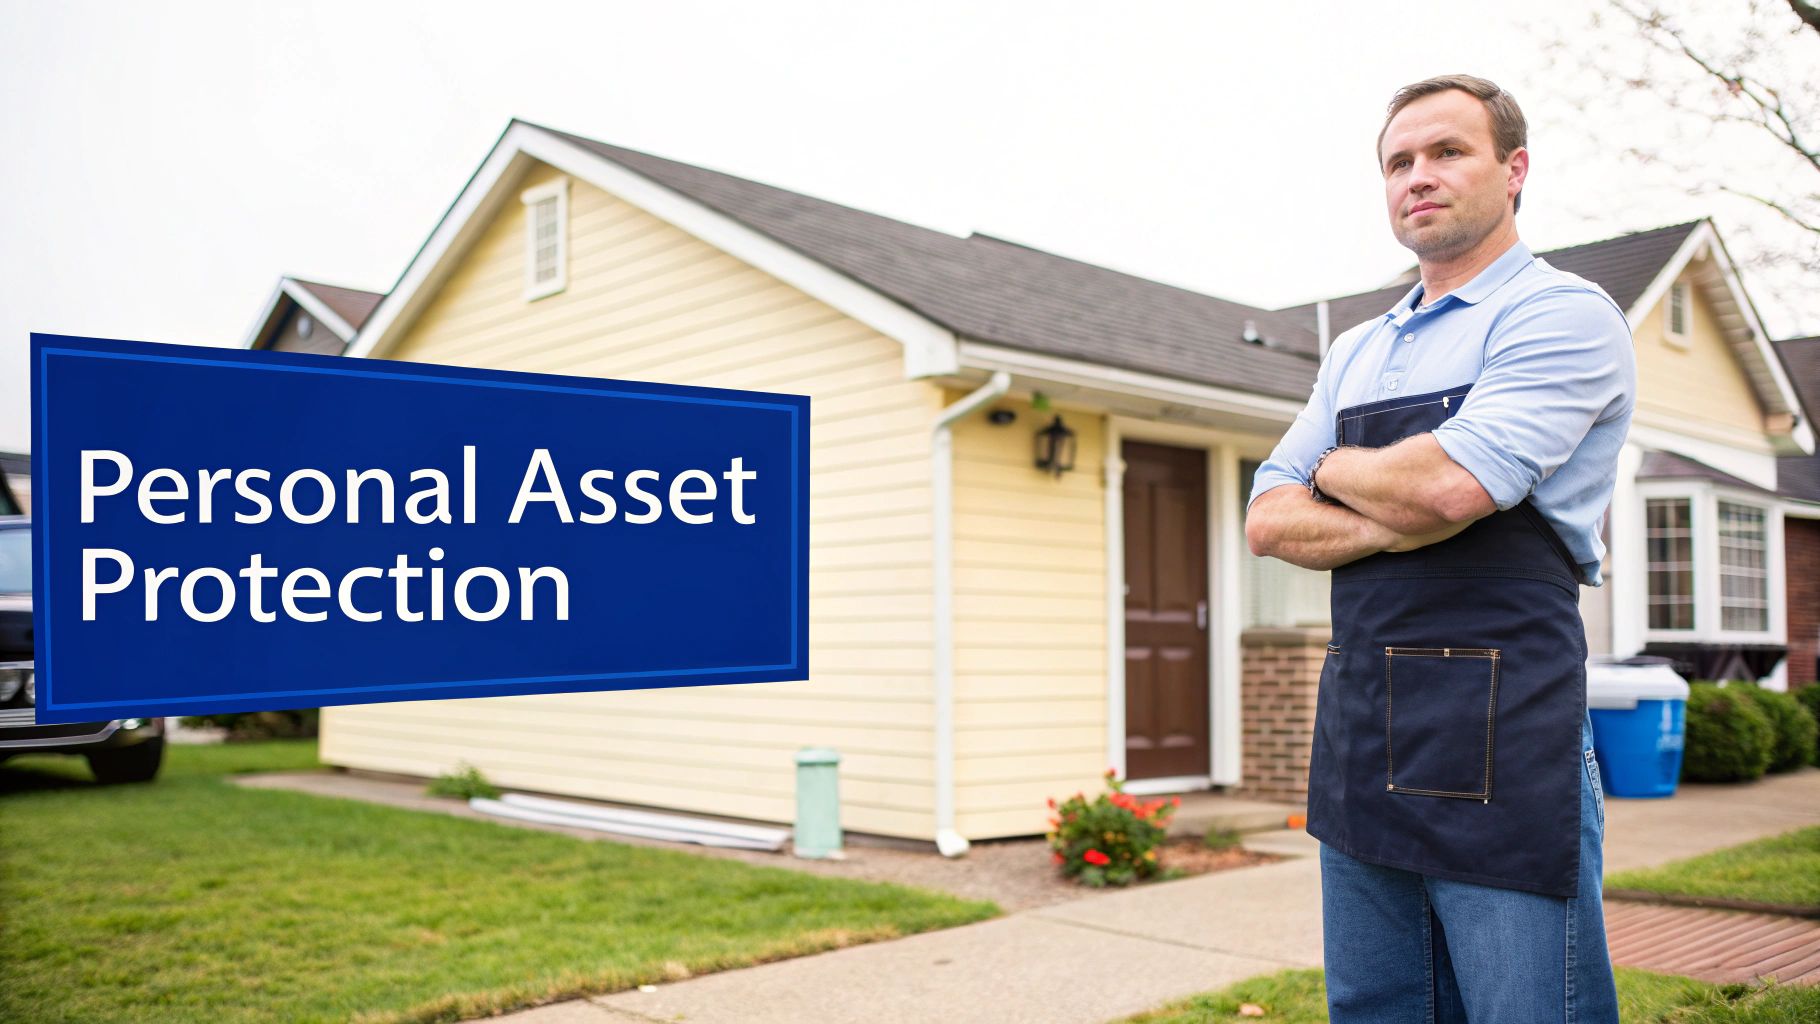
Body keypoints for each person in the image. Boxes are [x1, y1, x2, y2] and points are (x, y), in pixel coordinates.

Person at [1245, 74, 1634, 1023]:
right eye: (1398, 162)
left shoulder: (1561, 314)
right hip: (1361, 727)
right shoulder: (1355, 351)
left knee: (1527, 1009)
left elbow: (1452, 486)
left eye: (1447, 152)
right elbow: (1266, 518)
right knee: (1381, 1008)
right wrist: (1385, 488)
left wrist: (1335, 473)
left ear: (1515, 170)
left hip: (1505, 731)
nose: (1417, 176)